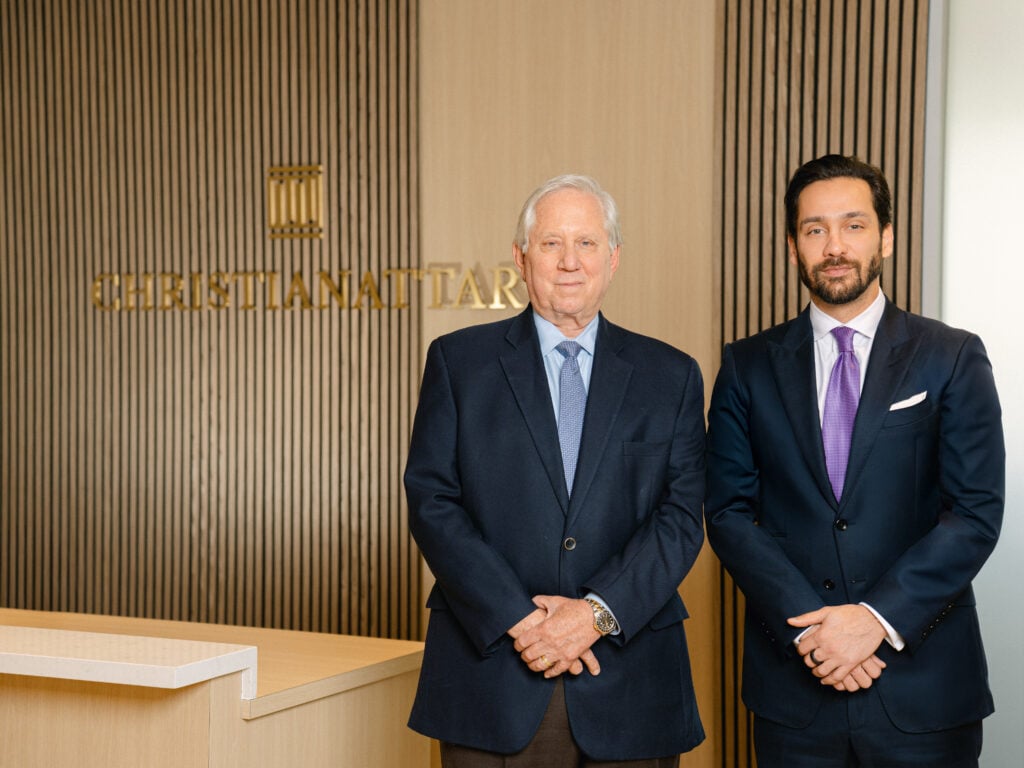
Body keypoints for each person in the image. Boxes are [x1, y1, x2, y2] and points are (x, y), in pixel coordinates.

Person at [704, 154, 1004, 767]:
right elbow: (729, 513)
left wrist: (874, 619)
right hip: (795, 693)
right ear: (793, 247)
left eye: (854, 225)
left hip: (924, 689)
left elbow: (975, 513)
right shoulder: (746, 365)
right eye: (814, 229)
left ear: (886, 237)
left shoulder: (951, 356)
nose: (834, 246)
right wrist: (815, 633)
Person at [404, 174, 706, 766]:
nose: (570, 261)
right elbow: (432, 502)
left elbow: (679, 518)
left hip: (632, 683)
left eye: (587, 243)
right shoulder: (458, 363)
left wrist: (595, 614)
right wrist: (522, 621)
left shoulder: (671, 375)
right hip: (494, 674)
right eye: (551, 243)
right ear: (521, 258)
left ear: (612, 259)